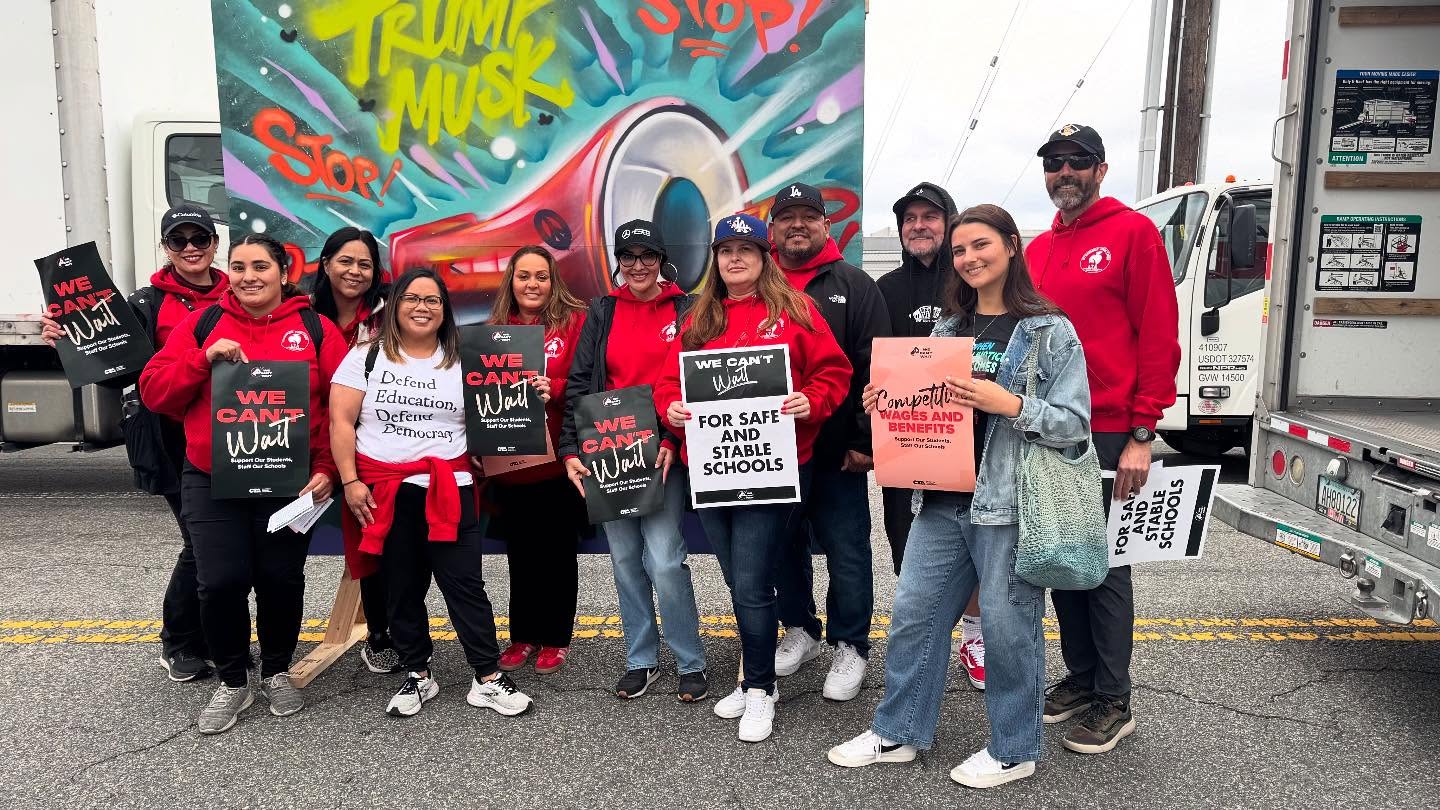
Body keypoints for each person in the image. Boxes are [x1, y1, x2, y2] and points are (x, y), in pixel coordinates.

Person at [828, 204, 1092, 789]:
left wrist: (1012, 404)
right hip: (943, 498)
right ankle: (898, 731)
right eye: (961, 250)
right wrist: (887, 404)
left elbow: (1075, 423)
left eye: (982, 246)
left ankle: (1015, 747)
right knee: (914, 615)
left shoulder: (1050, 330)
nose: (970, 258)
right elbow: (924, 403)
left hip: (1006, 504)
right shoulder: (948, 328)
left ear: (1012, 246)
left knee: (1007, 627)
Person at [653, 213, 851, 743]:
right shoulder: (699, 319)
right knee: (737, 577)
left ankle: (760, 687)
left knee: (750, 579)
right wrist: (672, 408)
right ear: (715, 261)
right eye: (725, 250)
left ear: (766, 258)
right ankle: (757, 676)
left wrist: (814, 400)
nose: (735, 258)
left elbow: (834, 371)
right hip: (711, 470)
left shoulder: (796, 310)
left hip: (777, 468)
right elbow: (668, 382)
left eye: (746, 249)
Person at [139, 233, 347, 735]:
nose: (248, 276)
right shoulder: (203, 323)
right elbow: (154, 393)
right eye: (238, 267)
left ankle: (276, 670)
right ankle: (233, 680)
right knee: (220, 581)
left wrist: (327, 469)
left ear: (282, 273)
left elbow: (339, 410)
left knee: (281, 580)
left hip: (288, 482)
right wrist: (202, 359)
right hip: (211, 478)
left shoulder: (315, 329)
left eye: (260, 266)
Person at [1024, 123, 1180, 755]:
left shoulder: (1132, 233)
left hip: (1113, 428)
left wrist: (1144, 432)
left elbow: (1159, 335)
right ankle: (1083, 675)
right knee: (1065, 557)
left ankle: (1114, 697)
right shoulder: (1037, 250)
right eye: (1054, 162)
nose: (1065, 172)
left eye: (1077, 161)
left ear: (1101, 169)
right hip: (1051, 428)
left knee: (1108, 568)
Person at [329, 268, 534, 718]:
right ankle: (418, 674)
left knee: (465, 585)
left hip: (451, 489)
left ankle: (487, 675)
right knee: (401, 587)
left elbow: (497, 413)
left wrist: (530, 393)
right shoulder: (366, 355)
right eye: (411, 299)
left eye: (433, 301)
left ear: (445, 311)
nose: (422, 307)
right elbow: (341, 422)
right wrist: (350, 481)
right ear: (395, 305)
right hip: (386, 489)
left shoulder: (465, 357)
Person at [42, 202, 230, 683]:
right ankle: (179, 642)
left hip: (233, 433)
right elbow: (117, 372)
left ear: (214, 244)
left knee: (225, 543)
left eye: (199, 238)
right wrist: (69, 340)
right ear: (165, 248)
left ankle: (214, 637)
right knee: (199, 542)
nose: (190, 248)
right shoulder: (144, 303)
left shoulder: (239, 295)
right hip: (172, 438)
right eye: (178, 240)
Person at [560, 220, 709, 702]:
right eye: (629, 257)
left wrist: (671, 438)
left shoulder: (687, 308)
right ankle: (641, 659)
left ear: (662, 261)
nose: (638, 265)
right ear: (618, 263)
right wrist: (570, 450)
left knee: (665, 560)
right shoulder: (603, 310)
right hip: (609, 450)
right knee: (625, 561)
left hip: (664, 451)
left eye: (648, 256)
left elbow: (694, 379)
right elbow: (581, 384)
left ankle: (690, 660)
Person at [766, 183, 889, 701]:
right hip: (767, 452)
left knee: (847, 549)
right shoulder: (753, 282)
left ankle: (851, 643)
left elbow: (874, 366)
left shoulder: (855, 285)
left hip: (838, 450)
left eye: (808, 217)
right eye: (787, 217)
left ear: (826, 225)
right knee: (782, 547)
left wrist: (867, 441)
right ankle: (800, 627)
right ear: (772, 229)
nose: (798, 225)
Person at [875, 183, 986, 691]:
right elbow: (869, 362)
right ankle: (930, 634)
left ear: (949, 221)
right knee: (908, 543)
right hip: (903, 440)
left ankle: (976, 634)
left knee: (975, 543)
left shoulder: (968, 282)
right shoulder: (886, 288)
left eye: (930, 216)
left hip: (967, 438)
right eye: (910, 218)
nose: (919, 225)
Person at [485, 246, 590, 676]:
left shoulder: (576, 322)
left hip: (560, 462)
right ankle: (523, 635)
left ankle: (555, 638)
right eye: (524, 276)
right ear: (511, 280)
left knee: (558, 555)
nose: (532, 284)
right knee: (520, 554)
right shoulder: (492, 332)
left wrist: (557, 387)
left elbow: (590, 381)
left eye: (541, 277)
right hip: (511, 465)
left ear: (554, 281)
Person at [308, 226, 399, 676]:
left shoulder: (390, 315)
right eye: (345, 261)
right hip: (305, 441)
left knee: (379, 539)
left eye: (365, 263)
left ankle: (385, 631)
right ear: (325, 264)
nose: (355, 271)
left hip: (377, 441)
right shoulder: (301, 314)